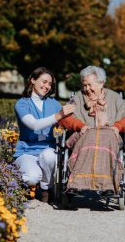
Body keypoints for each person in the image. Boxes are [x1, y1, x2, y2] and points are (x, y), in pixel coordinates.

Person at [58, 65, 125, 196]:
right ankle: (76, 183)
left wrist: (117, 126)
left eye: (90, 85)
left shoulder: (114, 97)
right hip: (84, 135)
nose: (86, 89)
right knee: (90, 136)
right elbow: (64, 117)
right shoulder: (78, 98)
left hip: (109, 136)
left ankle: (108, 185)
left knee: (105, 136)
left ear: (101, 83)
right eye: (84, 85)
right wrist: (79, 125)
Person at [13, 67, 77, 203]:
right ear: (33, 80)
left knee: (48, 156)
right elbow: (34, 125)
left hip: (48, 149)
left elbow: (68, 121)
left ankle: (47, 188)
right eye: (44, 82)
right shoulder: (22, 104)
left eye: (50, 84)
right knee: (31, 177)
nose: (47, 86)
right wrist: (59, 115)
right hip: (26, 151)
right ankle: (33, 181)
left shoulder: (53, 104)